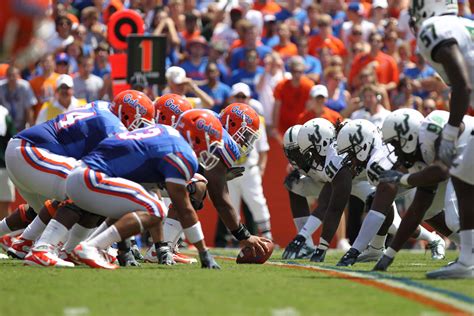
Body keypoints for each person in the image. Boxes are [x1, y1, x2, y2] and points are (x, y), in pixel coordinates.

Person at [4, 91, 155, 262]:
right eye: (139, 124)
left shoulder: (103, 107)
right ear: (127, 115)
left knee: (71, 204)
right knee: (90, 188)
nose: (141, 130)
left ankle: (26, 242)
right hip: (30, 153)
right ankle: (43, 249)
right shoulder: (112, 125)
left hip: (23, 153)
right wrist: (123, 247)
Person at [66, 110, 223, 270]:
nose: (211, 150)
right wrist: (204, 252)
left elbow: (137, 196)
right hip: (91, 178)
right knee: (156, 209)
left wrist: (128, 248)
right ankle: (91, 247)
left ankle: (83, 248)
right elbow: (184, 209)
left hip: (82, 175)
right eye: (211, 143)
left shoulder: (165, 133)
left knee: (149, 203)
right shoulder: (182, 153)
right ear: (196, 136)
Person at [403, 0, 474, 279]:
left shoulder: (434, 28)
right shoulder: (464, 24)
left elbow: (462, 84)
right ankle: (467, 259)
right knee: (463, 174)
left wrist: (451, 130)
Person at [335, 119, 446, 267]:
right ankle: (376, 248)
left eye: (350, 153)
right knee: (379, 203)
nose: (349, 160)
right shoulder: (374, 153)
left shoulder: (375, 164)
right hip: (418, 174)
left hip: (434, 172)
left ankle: (441, 243)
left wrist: (354, 251)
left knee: (437, 216)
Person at [373, 109, 467, 271]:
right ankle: (469, 251)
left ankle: (468, 258)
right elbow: (418, 209)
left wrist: (401, 179)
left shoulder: (432, 130)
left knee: (454, 217)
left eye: (395, 143)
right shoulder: (422, 154)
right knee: (428, 210)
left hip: (466, 156)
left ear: (408, 136)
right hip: (459, 163)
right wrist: (389, 255)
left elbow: (441, 170)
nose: (394, 151)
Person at [226, 86, 272, 239]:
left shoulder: (257, 120)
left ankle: (267, 234)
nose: (240, 100)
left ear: (248, 98)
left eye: (243, 97)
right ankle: (234, 237)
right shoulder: (225, 118)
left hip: (248, 168)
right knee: (230, 204)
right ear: (232, 98)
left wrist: (262, 167)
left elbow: (263, 148)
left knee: (257, 201)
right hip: (230, 168)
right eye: (237, 96)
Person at [0, 65, 36, 131]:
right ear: (6, 76)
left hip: (21, 124)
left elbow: (29, 108)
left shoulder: (25, 87)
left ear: (18, 76)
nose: (12, 78)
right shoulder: (1, 88)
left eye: (14, 75)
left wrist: (31, 128)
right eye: (9, 75)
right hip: (5, 125)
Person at [0, 106, 15, 224]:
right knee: (4, 205)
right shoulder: (4, 114)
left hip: (3, 166)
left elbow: (13, 140)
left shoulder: (4, 115)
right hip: (3, 167)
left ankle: (4, 238)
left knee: (4, 204)